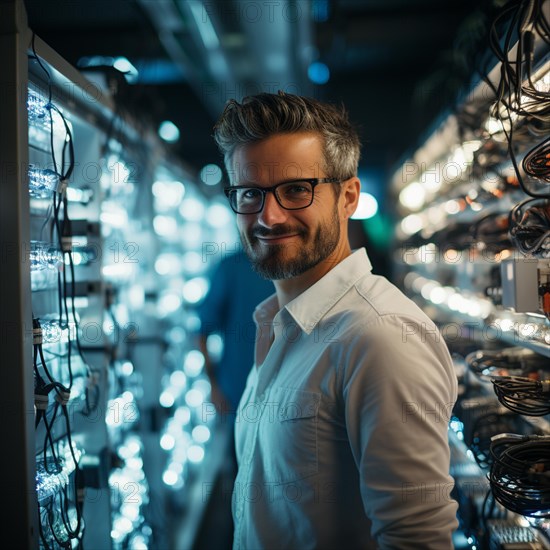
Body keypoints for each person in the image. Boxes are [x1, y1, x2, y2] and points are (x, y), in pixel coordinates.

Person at [213, 91, 459, 549]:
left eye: (295, 189)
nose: (268, 216)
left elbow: (417, 539)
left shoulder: (380, 337)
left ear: (348, 197)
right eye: (250, 193)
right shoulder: (277, 324)